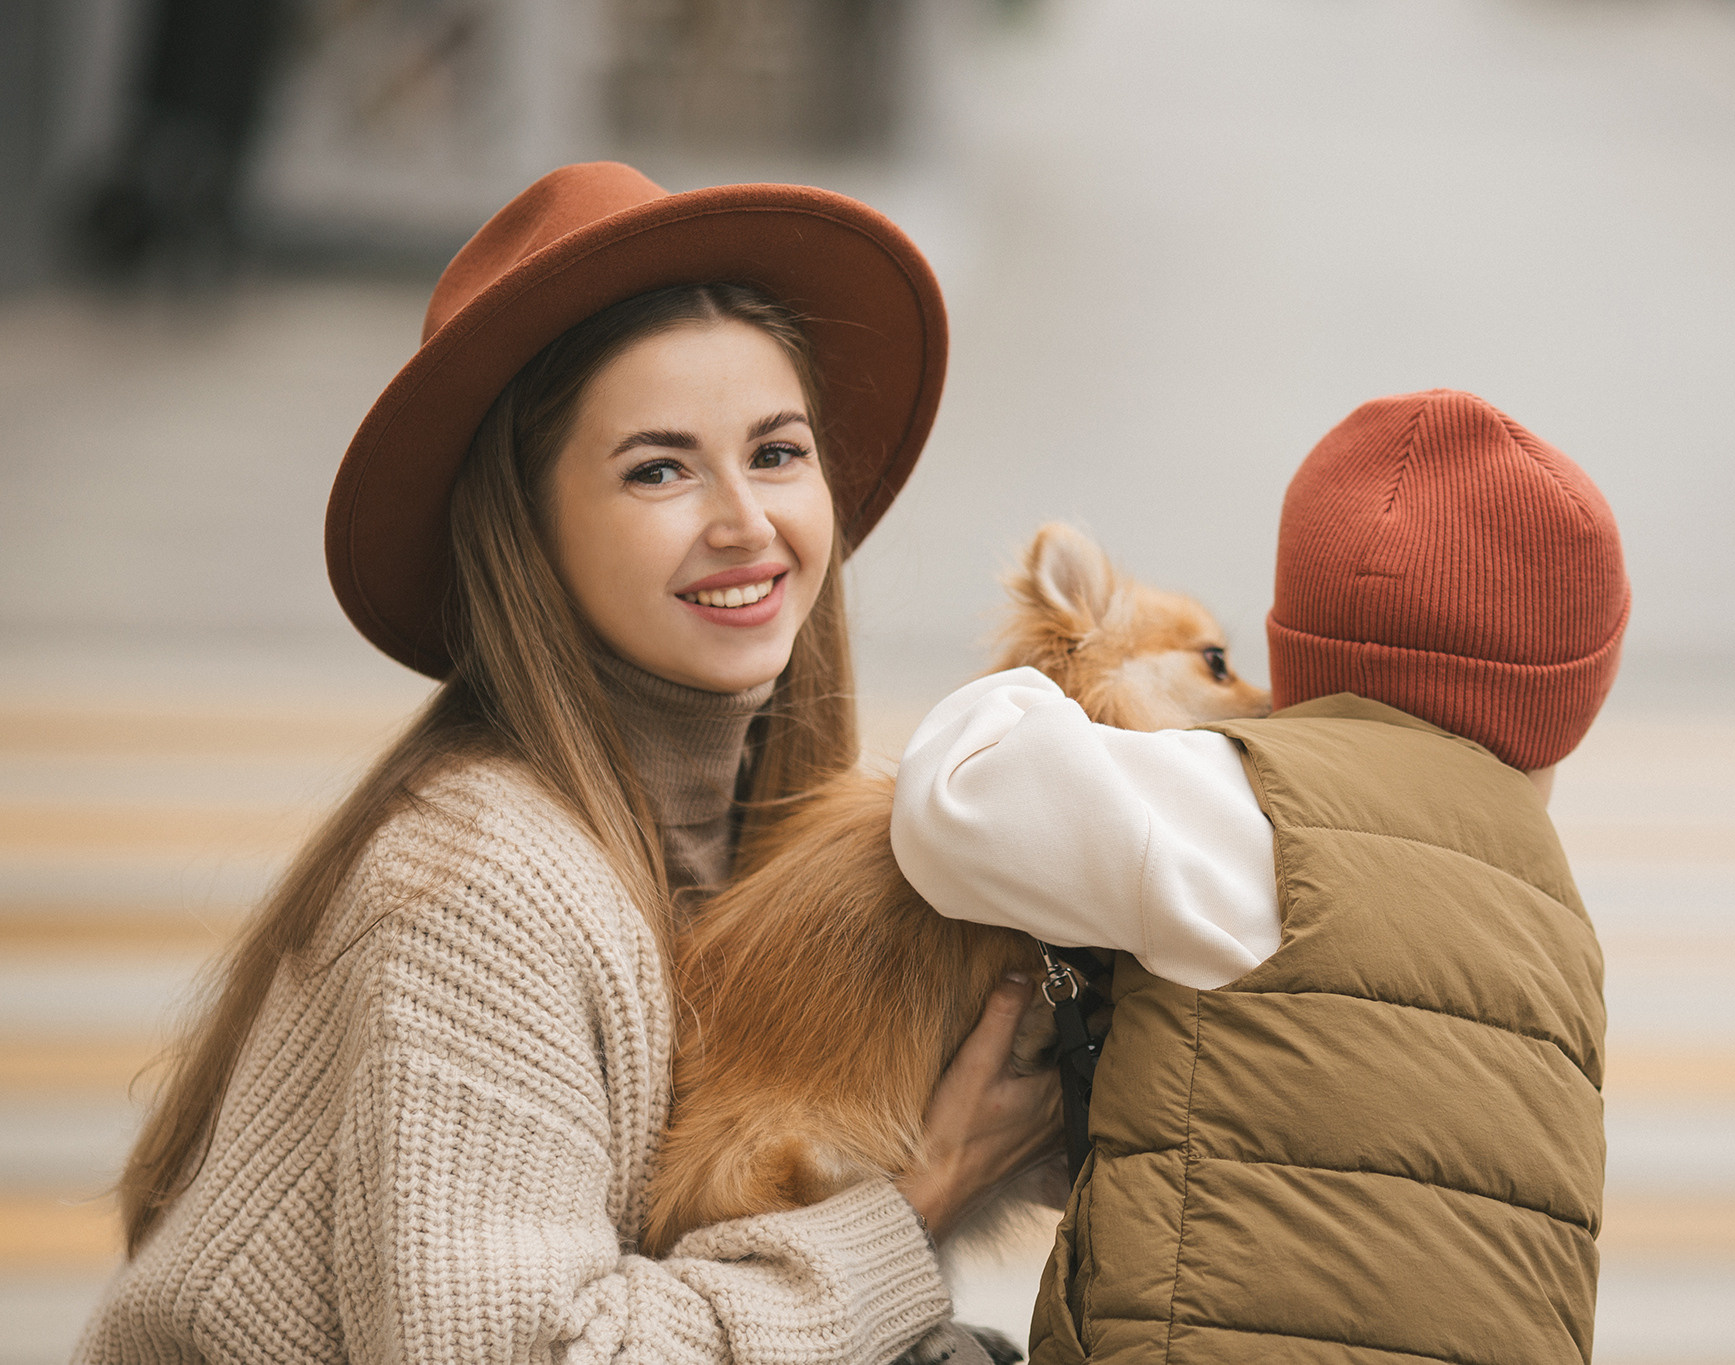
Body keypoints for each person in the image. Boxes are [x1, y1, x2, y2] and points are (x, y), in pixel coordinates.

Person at [77, 162, 1054, 1365]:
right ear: (525, 532)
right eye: (658, 468)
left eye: (777, 452)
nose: (745, 520)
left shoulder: (769, 845)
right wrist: (907, 1217)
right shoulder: (477, 886)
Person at [891, 389, 1631, 1364]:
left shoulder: (1245, 818)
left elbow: (952, 795)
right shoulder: (1556, 924)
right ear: (1566, 711)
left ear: (1300, 653)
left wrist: (1066, 687)